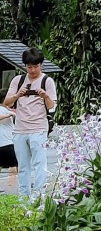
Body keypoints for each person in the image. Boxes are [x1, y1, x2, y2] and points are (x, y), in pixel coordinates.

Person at [2, 47, 57, 199]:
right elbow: (6, 102)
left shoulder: (47, 81)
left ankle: (39, 198)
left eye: (35, 66)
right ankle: (23, 200)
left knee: (40, 165)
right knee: (23, 167)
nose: (32, 70)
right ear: (25, 66)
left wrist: (45, 96)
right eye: (29, 67)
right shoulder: (18, 81)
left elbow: (52, 106)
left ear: (41, 65)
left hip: (39, 128)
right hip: (20, 130)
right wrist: (18, 95)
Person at [0, 99, 17, 194]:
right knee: (13, 166)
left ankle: (9, 189)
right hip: (7, 142)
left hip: (7, 142)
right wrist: (9, 114)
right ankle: (10, 189)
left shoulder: (6, 109)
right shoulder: (3, 110)